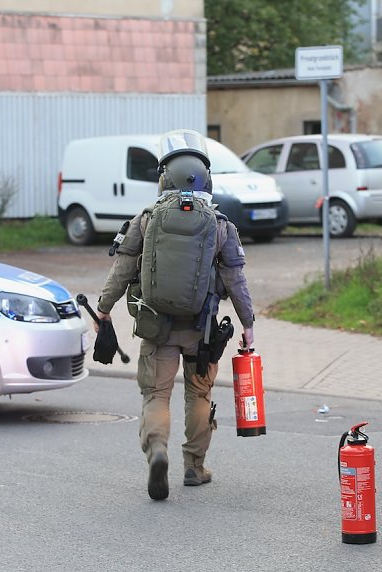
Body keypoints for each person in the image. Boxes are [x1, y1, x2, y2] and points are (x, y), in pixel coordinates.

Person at [94, 129, 255, 501]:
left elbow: (121, 270)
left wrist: (103, 309)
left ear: (164, 177)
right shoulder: (220, 225)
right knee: (199, 396)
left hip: (157, 327)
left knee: (156, 395)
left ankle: (157, 451)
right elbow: (235, 279)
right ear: (206, 179)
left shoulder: (146, 219)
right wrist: (248, 324)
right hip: (202, 331)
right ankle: (195, 467)